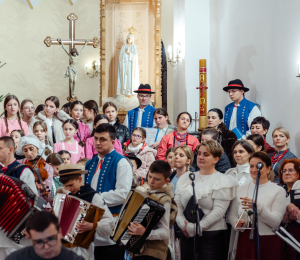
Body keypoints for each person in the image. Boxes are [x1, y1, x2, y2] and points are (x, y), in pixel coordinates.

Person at [175, 140, 238, 260]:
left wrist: (197, 228)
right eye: (199, 153)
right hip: (187, 234)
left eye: (206, 154)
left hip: (212, 237)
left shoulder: (223, 180)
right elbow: (177, 205)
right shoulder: (185, 178)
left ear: (216, 159)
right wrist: (183, 224)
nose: (201, 157)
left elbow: (218, 212)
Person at [84, 123, 132, 260]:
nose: (98, 143)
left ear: (113, 142)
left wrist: (96, 198)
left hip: (111, 227)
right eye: (96, 139)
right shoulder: (90, 163)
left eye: (102, 139)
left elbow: (123, 194)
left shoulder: (121, 162)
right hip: (90, 227)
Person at [227, 152, 286, 260]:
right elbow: (232, 214)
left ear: (268, 169)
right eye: (251, 166)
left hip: (268, 240)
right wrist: (236, 223)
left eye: (259, 166)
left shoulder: (278, 191)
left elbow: (276, 222)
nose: (254, 169)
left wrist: (258, 207)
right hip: (245, 238)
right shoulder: (241, 188)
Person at [58, 164, 114, 259]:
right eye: (65, 186)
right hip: (64, 248)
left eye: (70, 185)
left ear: (80, 179)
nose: (69, 189)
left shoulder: (94, 197)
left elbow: (110, 222)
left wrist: (93, 226)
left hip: (83, 249)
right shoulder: (67, 196)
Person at [129, 160, 178, 260]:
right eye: (150, 176)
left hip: (154, 253)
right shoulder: (143, 193)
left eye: (157, 179)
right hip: (138, 250)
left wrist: (145, 233)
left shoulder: (165, 200)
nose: (151, 181)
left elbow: (165, 232)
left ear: (167, 181)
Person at [0, 136, 38, 258]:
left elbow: (33, 202)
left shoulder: (24, 171)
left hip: (18, 231)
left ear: (11, 149)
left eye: (0, 148)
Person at [5, 211, 84, 260]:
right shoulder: (15, 258)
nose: (46, 247)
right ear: (30, 238)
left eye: (51, 239)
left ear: (60, 233)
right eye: (39, 242)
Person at [16, 135, 53, 204]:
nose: (29, 153)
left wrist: (40, 189)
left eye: (31, 149)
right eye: (25, 150)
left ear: (37, 148)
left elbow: (47, 191)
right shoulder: (18, 164)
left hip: (39, 200)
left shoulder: (47, 167)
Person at [279, 159, 300, 259]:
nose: (287, 173)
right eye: (284, 170)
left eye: (291, 170)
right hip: (280, 237)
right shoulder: (278, 190)